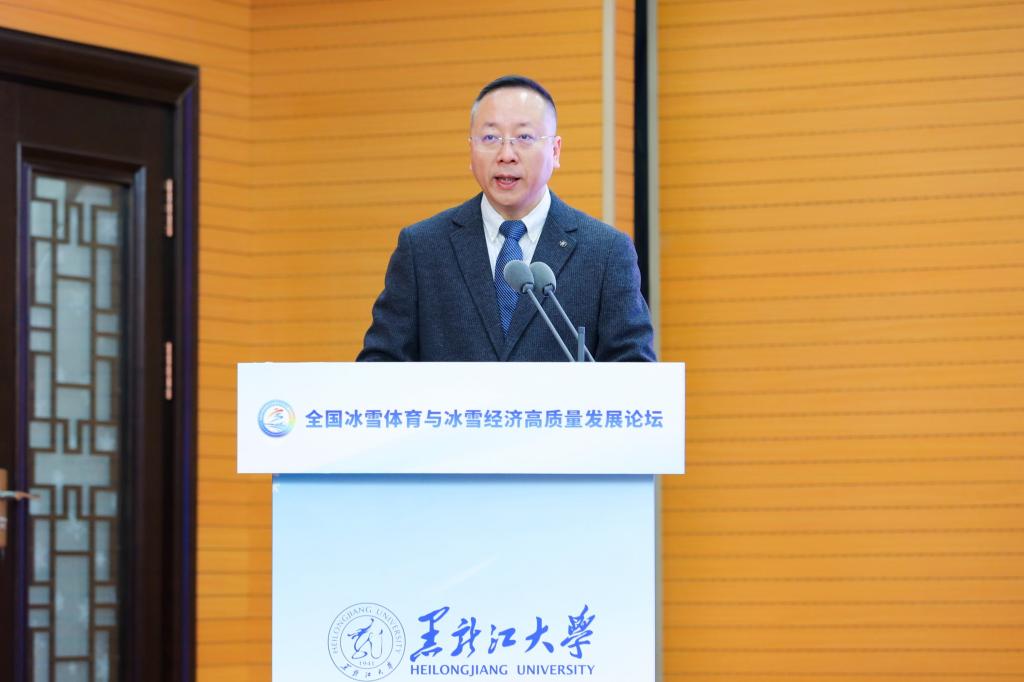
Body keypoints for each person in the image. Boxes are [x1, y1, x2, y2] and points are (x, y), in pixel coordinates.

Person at [357, 75, 655, 362]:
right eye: (490, 137)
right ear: (471, 149)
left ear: (555, 151)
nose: (506, 154)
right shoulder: (422, 249)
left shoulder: (605, 252)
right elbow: (380, 364)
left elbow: (634, 371)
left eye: (524, 137)